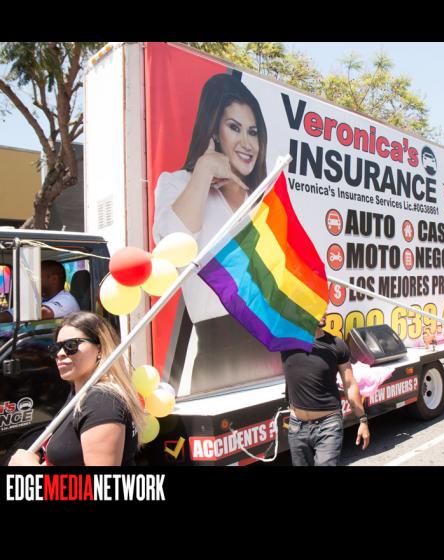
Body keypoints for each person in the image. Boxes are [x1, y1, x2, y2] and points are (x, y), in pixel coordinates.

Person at [152, 73, 278, 393]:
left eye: (253, 132)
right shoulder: (178, 183)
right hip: (220, 354)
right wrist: (205, 170)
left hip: (274, 344)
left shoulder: (263, 198)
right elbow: (173, 245)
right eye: (234, 127)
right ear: (214, 132)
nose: (247, 142)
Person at [8, 311, 144, 466]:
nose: (60, 354)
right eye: (56, 348)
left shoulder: (101, 402)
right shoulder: (79, 394)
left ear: (100, 349)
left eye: (71, 345)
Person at [280, 315, 370, 466]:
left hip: (328, 425)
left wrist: (362, 420)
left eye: (324, 309)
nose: (323, 313)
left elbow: (349, 384)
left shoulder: (337, 345)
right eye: (317, 308)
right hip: (296, 426)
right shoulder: (287, 341)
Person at [0, 260, 80, 323]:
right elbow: (12, 314)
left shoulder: (67, 300)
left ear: (54, 279)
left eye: (36, 278)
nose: (33, 282)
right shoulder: (40, 298)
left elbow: (41, 312)